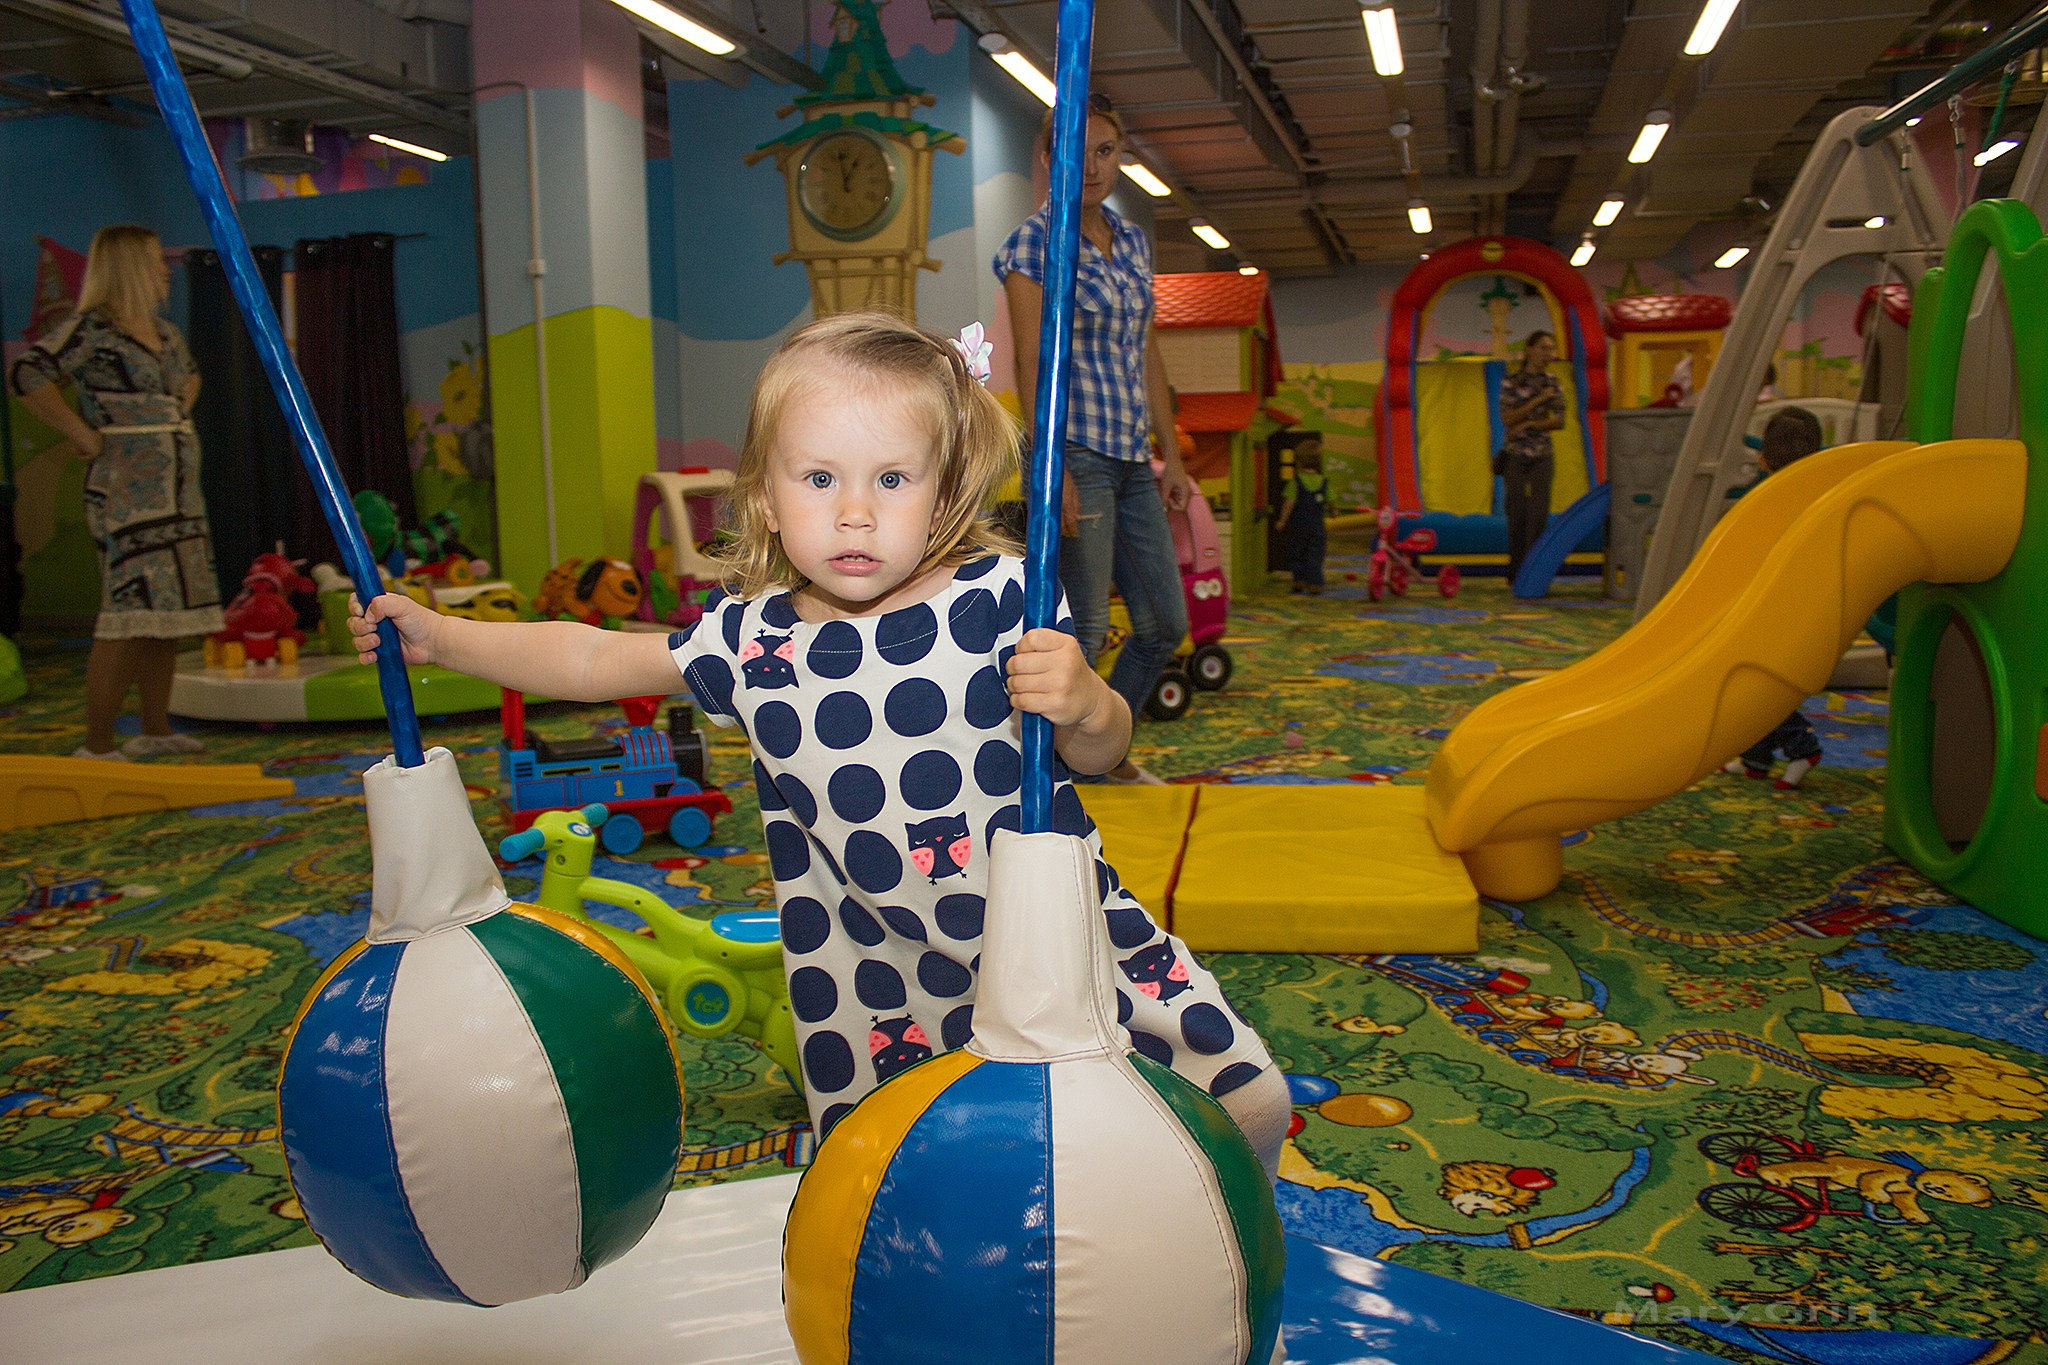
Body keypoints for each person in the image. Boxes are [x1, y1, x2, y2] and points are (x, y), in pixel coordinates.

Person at [349, 311, 1290, 1173]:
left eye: (891, 478)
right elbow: (595, 658)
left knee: (1246, 1104)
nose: (855, 511)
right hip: (876, 974)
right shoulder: (752, 641)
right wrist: (446, 638)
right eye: (819, 478)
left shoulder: (999, 597)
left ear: (945, 489)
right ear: (763, 497)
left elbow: (1096, 752)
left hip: (1054, 931)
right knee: (905, 1180)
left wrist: (1088, 705)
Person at [995, 94, 1193, 785]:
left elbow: (1148, 351)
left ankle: (1097, 752)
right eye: (1077, 152)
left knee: (1164, 621)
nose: (1094, 167)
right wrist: (1052, 470)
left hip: (1133, 454)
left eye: (1106, 151)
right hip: (1073, 450)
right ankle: (1045, 778)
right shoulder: (1033, 244)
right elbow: (1027, 360)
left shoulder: (1132, 239)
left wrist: (1168, 450)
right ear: (1051, 158)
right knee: (1076, 634)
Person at [9, 225, 222, 759]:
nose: (165, 269)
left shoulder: (167, 334)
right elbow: (28, 371)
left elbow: (191, 378)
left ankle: (156, 728)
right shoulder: (92, 330)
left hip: (179, 495)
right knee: (126, 614)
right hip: (128, 496)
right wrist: (78, 430)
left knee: (165, 616)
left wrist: (173, 413)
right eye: (155, 260)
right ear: (128, 267)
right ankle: (98, 742)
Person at [1724, 406, 1827, 789]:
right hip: (1795, 599)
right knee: (1751, 679)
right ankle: (1756, 756)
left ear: (1764, 458)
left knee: (1759, 685)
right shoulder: (1815, 489)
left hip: (1775, 602)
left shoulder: (1770, 494)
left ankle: (1803, 748)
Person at [1496, 329, 1565, 588]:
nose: (1548, 354)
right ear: (1530, 349)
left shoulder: (1552, 383)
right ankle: (1515, 572)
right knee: (1516, 514)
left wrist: (1530, 425)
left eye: (1551, 349)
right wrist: (1539, 400)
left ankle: (1534, 574)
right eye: (1544, 348)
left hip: (1542, 456)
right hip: (1514, 456)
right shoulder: (1511, 382)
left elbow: (1559, 421)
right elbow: (1507, 418)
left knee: (1538, 515)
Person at [1276, 436, 1328, 594]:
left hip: (1298, 527)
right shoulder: (1324, 482)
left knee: (1297, 553)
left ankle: (1299, 581)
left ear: (1298, 462)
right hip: (1318, 527)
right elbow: (1330, 501)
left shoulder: (1295, 483)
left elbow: (1289, 504)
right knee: (1315, 555)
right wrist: (1334, 511)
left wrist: (1282, 521)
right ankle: (1315, 584)